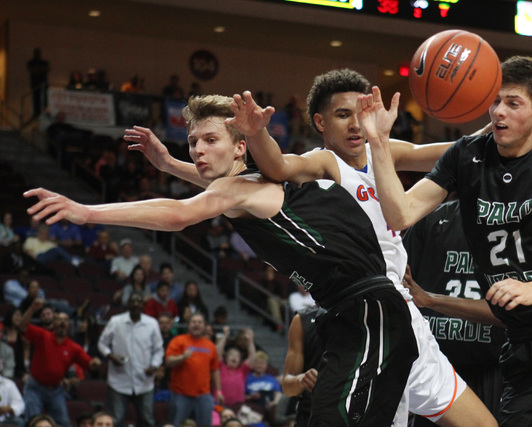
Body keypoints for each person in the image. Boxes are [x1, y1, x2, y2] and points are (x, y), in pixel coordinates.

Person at [23, 93, 419, 427]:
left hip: (371, 311)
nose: (197, 149)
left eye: (210, 139)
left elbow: (181, 213)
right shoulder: (253, 185)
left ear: (241, 146)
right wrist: (167, 165)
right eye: (193, 142)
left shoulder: (242, 189)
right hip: (356, 315)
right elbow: (220, 187)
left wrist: (88, 212)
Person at [364, 55, 532, 426]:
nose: (499, 112)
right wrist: (379, 142)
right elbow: (401, 214)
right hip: (530, 350)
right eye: (494, 102)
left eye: (513, 103)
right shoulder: (465, 155)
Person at [226, 70, 495, 426]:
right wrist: (257, 132)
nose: (356, 124)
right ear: (320, 122)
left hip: (405, 312)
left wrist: (499, 119)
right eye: (342, 115)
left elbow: (454, 153)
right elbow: (276, 166)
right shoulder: (323, 163)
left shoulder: (382, 151)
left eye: (361, 112)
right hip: (367, 315)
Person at [402, 199, 506, 422]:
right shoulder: (429, 219)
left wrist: (430, 300)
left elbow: (520, 313)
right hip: (434, 365)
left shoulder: (518, 223)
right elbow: (403, 288)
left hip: (492, 367)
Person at [19, 298, 101, 427]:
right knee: (32, 422)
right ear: (54, 324)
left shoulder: (73, 347)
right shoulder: (43, 335)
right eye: (59, 320)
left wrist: (95, 362)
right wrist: (32, 309)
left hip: (55, 390)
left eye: (65, 320)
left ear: (69, 325)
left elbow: (89, 364)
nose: (62, 322)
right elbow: (22, 326)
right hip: (35, 387)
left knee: (63, 424)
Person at [98, 291, 164, 427]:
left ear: (142, 304)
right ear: (128, 304)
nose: (135, 304)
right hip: (119, 381)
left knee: (147, 420)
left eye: (138, 301)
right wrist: (110, 356)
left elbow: (159, 350)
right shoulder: (116, 321)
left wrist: (154, 366)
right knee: (115, 420)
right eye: (132, 301)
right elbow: (102, 343)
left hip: (144, 381)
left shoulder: (152, 324)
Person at [165, 313, 222, 426]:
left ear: (205, 326)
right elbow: (168, 362)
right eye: (194, 322)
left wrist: (219, 391)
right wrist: (182, 357)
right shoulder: (178, 340)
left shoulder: (210, 345)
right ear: (188, 325)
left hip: (204, 395)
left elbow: (215, 370)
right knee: (178, 424)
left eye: (200, 322)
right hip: (181, 394)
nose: (197, 325)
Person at [281, 305, 326, 427]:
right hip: (312, 414)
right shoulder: (303, 320)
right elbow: (287, 387)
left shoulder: (366, 314)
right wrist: (301, 380)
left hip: (356, 411)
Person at [215, 326, 256, 407]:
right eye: (231, 355)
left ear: (240, 360)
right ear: (226, 358)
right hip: (220, 404)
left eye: (237, 356)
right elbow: (216, 353)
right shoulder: (220, 367)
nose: (234, 357)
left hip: (238, 406)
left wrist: (250, 341)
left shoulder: (242, 370)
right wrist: (225, 336)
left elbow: (252, 357)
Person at [244, 351, 282, 424]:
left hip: (269, 409)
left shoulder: (272, 379)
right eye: (257, 363)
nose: (260, 365)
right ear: (253, 364)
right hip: (252, 409)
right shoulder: (247, 378)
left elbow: (278, 393)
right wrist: (250, 397)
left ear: (266, 365)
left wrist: (274, 402)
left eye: (262, 363)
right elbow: (240, 396)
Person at [26, 48, 49, 118]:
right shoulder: (31, 62)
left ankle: (45, 111)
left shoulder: (44, 62)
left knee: (45, 98)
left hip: (43, 83)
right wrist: (40, 70)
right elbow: (32, 71)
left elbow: (46, 69)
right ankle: (37, 112)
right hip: (35, 83)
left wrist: (38, 70)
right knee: (36, 98)